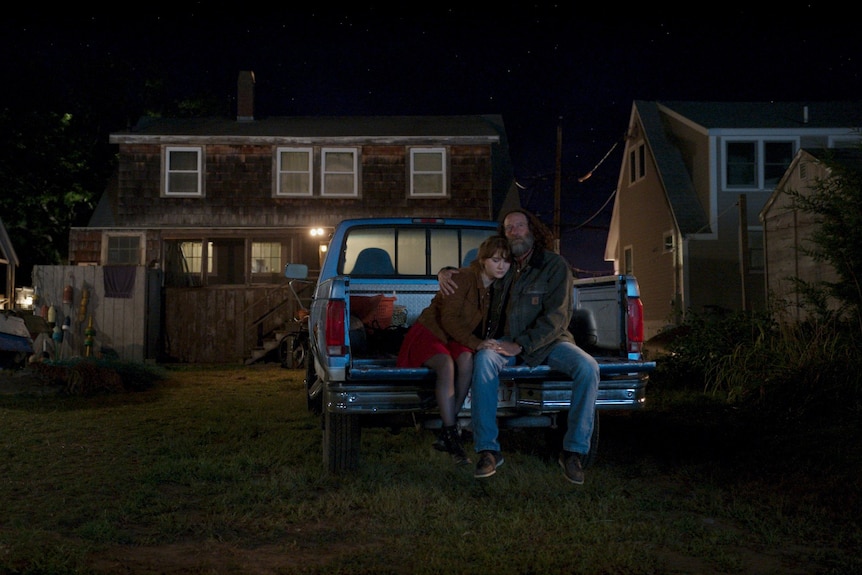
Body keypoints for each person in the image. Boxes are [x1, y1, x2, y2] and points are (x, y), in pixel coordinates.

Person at [438, 209, 600, 484]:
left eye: (520, 226)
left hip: (550, 342)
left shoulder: (554, 266)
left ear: (532, 230)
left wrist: (521, 345)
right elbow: (472, 273)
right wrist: (444, 272)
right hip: (506, 341)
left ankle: (573, 452)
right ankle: (488, 450)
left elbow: (557, 317)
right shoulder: (502, 264)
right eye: (509, 227)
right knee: (485, 359)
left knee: (588, 367)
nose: (514, 231)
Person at [396, 235, 512, 465]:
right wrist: (477, 342)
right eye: (495, 260)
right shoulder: (463, 278)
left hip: (455, 337)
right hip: (432, 331)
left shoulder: (494, 289)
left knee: (467, 360)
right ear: (483, 260)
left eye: (506, 261)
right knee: (446, 365)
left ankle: (448, 425)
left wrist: (481, 343)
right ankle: (451, 435)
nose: (501, 266)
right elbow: (448, 319)